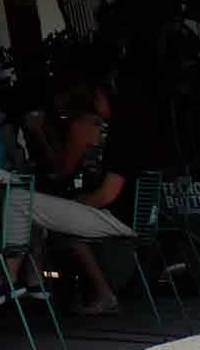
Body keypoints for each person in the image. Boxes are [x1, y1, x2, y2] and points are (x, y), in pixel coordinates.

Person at [35, 77, 131, 316]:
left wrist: (38, 133)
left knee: (36, 211)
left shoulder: (84, 127)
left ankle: (33, 281)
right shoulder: (113, 129)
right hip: (115, 207)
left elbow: (63, 169)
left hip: (105, 207)